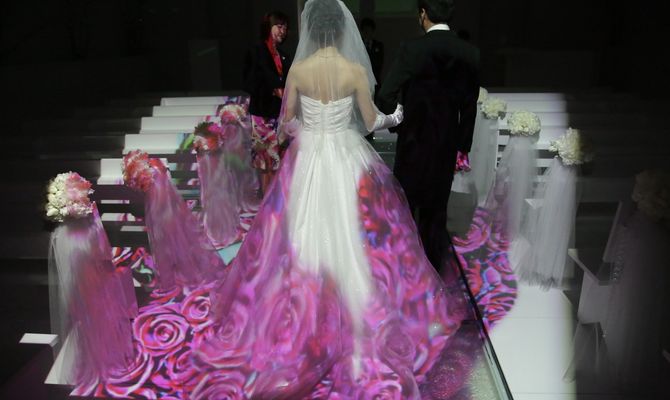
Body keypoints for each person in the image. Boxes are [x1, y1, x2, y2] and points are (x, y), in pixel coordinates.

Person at [196, 0, 471, 397]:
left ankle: (306, 312)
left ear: (311, 30)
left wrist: (307, 128)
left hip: (308, 158)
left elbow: (286, 124)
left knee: (300, 235)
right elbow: (372, 120)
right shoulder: (354, 70)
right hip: (347, 156)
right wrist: (397, 117)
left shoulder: (300, 70)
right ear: (343, 30)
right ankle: (358, 311)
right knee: (358, 238)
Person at [377, 0, 480, 273]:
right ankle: (433, 273)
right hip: (445, 145)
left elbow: (385, 94)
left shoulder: (412, 49)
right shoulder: (469, 52)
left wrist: (399, 123)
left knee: (406, 208)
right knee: (436, 214)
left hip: (413, 143)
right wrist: (462, 146)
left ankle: (405, 270)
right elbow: (469, 107)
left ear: (423, 14)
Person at [243, 11, 292, 196]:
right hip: (262, 114)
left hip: (280, 115)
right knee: (265, 163)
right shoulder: (256, 51)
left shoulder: (284, 55)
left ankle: (277, 201)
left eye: (285, 28)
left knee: (280, 159)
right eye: (279, 26)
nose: (283, 31)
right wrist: (272, 90)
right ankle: (267, 202)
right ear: (268, 27)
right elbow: (248, 83)